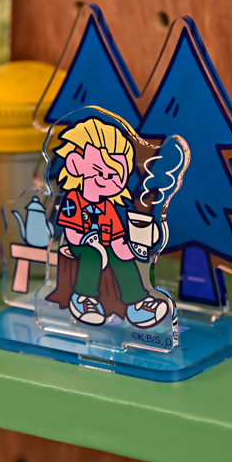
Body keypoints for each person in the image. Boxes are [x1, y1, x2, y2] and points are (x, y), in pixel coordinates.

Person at [55, 117, 168, 328]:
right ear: (75, 164)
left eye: (115, 175)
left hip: (104, 245)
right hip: (82, 245)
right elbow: (72, 234)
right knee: (93, 254)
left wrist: (131, 249)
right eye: (100, 172)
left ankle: (137, 304)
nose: (108, 179)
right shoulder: (74, 200)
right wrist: (90, 242)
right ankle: (83, 298)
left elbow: (116, 238)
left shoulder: (108, 207)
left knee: (122, 258)